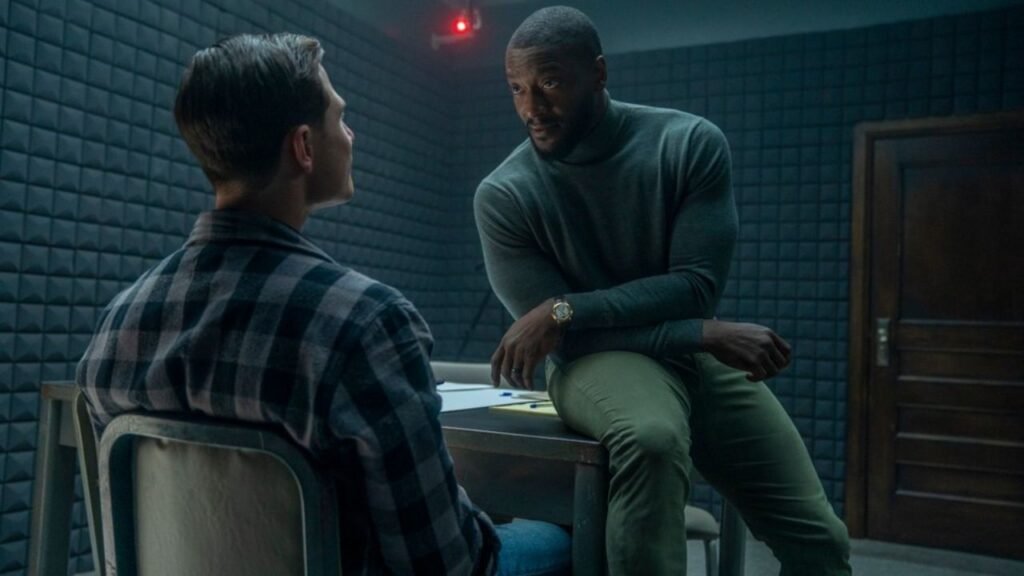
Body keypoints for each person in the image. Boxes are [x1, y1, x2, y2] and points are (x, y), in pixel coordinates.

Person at [77, 33, 570, 576]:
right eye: (340, 117)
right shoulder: (367, 323)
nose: (351, 134)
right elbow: (445, 564)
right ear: (304, 147)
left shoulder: (118, 323)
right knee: (559, 537)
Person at [474, 7, 852, 576]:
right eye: (516, 89)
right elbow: (566, 340)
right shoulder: (503, 194)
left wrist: (566, 308)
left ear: (598, 73)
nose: (532, 108)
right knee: (651, 437)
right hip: (596, 359)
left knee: (821, 540)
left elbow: (693, 287)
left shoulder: (688, 143)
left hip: (691, 354)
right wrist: (700, 334)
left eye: (549, 83)